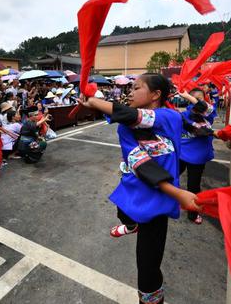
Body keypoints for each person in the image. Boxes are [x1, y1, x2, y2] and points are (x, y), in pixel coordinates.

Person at [77, 73, 200, 304]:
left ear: (156, 95)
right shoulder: (125, 129)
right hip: (135, 189)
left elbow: (132, 115)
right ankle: (132, 224)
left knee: (147, 268)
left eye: (137, 87)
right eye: (130, 88)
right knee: (122, 212)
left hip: (158, 201)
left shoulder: (169, 117)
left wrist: (93, 101)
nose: (130, 92)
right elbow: (137, 160)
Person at [177, 88, 216, 224]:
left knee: (193, 187)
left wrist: (191, 98)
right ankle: (167, 202)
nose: (198, 102)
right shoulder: (183, 115)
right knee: (170, 178)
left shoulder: (208, 114)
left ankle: (192, 214)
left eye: (201, 99)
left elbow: (205, 108)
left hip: (198, 158)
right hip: (181, 155)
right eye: (194, 98)